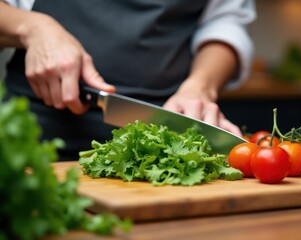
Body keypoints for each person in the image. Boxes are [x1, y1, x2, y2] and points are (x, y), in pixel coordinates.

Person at [0, 0, 256, 160]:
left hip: (170, 142)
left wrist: (200, 87)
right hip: (36, 138)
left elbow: (226, 21)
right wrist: (33, 28)